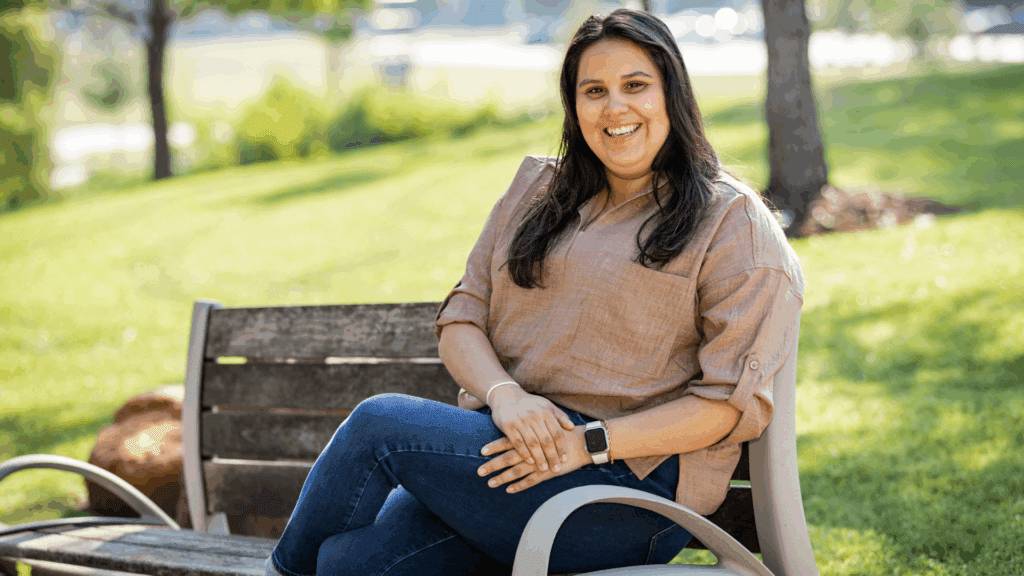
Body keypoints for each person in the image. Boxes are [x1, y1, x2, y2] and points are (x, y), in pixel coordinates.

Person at [265, 8, 803, 576]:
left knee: (379, 424)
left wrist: (586, 444)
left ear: (673, 92)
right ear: (574, 107)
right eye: (593, 90)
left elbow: (724, 405)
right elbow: (461, 320)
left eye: (636, 86)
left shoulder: (730, 222)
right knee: (347, 565)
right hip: (503, 456)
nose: (614, 107)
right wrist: (507, 397)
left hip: (623, 492)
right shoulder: (537, 191)